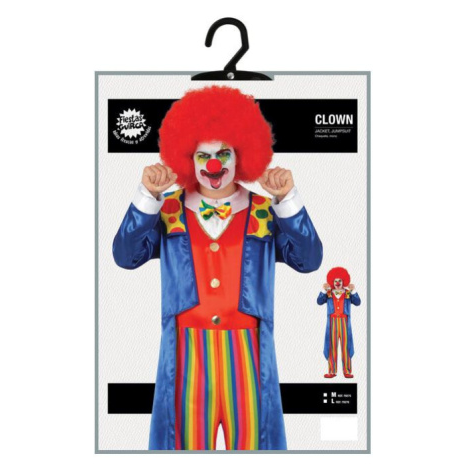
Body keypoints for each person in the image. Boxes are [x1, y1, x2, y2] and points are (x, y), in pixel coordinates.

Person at [113, 85, 323, 450]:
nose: (214, 165)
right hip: (187, 352)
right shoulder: (169, 209)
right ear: (187, 158)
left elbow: (309, 260)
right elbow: (125, 256)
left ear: (241, 155)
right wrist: (148, 196)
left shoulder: (264, 209)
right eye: (203, 155)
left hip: (248, 351)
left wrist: (287, 200)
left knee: (256, 448)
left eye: (223, 153)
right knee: (184, 448)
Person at [317, 267, 361, 379]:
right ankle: (332, 371)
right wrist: (323, 290)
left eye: (339, 281)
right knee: (331, 345)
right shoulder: (328, 293)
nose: (337, 283)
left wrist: (354, 291)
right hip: (332, 322)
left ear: (343, 281)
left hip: (344, 322)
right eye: (335, 281)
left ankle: (347, 370)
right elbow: (319, 301)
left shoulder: (348, 293)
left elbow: (357, 302)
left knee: (346, 346)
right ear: (332, 282)